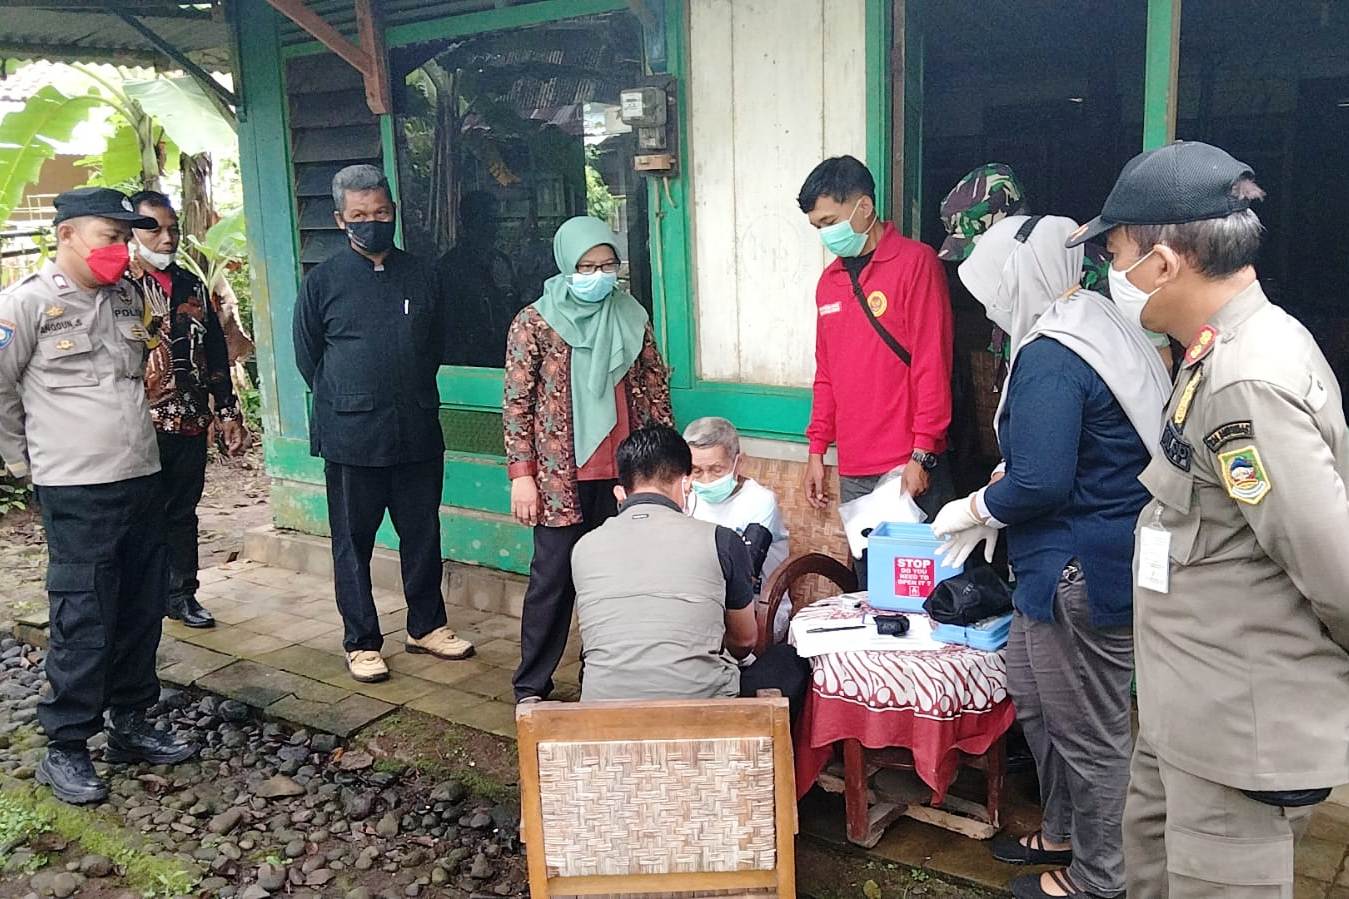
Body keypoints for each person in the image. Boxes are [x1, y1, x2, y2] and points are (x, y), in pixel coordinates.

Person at [1069, 141, 1349, 898]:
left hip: (1237, 731)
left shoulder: (1244, 378)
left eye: (1117, 253)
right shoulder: (1215, 351)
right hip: (1189, 714)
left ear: (1163, 262)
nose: (1110, 275)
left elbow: (1334, 566)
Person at [931, 214, 1169, 899]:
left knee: (1090, 733)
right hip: (1052, 565)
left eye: (988, 286)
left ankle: (1100, 878)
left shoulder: (1051, 354)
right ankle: (1062, 827)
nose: (984, 304)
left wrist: (973, 507)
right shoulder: (1082, 319)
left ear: (1016, 276)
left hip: (1081, 569)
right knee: (1035, 702)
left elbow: (1039, 478)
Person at [0, 187, 197, 805]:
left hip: (140, 475)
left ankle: (131, 721)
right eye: (107, 236)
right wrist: (23, 464)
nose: (119, 248)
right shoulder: (26, 304)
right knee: (84, 613)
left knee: (140, 605)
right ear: (66, 236)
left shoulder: (127, 297)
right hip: (75, 486)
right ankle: (67, 743)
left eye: (123, 237)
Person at [293, 164, 474, 685]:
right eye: (359, 216)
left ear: (392, 212)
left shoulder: (421, 273)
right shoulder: (322, 281)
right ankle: (361, 641)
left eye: (380, 213)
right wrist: (351, 395)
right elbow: (310, 357)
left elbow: (433, 343)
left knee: (422, 533)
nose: (372, 222)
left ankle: (426, 626)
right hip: (351, 435)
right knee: (353, 541)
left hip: (415, 427)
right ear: (339, 219)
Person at [504, 215, 672, 704]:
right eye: (586, 266)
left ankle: (602, 681)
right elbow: (516, 403)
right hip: (560, 476)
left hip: (627, 473)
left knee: (620, 580)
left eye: (607, 265)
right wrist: (522, 476)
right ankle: (531, 686)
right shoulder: (534, 322)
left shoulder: (631, 314)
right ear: (565, 265)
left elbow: (655, 392)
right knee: (552, 582)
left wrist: (665, 471)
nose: (598, 275)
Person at [797, 155, 954, 588]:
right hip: (854, 466)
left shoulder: (915, 263)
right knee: (873, 584)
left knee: (923, 584)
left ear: (864, 207)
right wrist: (816, 450)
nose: (826, 234)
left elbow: (931, 363)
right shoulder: (829, 282)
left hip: (907, 462)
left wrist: (922, 453)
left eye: (829, 220)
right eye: (817, 227)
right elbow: (826, 372)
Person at [571, 425, 810, 709]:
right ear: (686, 483)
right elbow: (745, 640)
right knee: (790, 660)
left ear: (620, 493)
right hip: (700, 716)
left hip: (602, 714)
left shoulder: (583, 548)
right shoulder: (721, 540)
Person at [128, 190, 250, 630]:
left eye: (173, 229)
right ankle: (142, 597)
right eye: (153, 228)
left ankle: (182, 594)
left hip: (191, 421)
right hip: (136, 426)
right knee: (140, 513)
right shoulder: (119, 286)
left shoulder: (191, 285)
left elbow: (216, 350)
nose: (166, 238)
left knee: (182, 512)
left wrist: (228, 410)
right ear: (130, 231)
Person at [683, 416, 791, 640]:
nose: (706, 479)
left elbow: (743, 575)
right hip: (700, 609)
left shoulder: (760, 502)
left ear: (738, 463)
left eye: (716, 469)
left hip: (756, 611)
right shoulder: (686, 498)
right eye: (696, 471)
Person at [436, 190, 520, 367]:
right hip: (466, 364)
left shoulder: (501, 262)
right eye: (486, 220)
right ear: (469, 223)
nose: (493, 227)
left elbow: (514, 308)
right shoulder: (449, 267)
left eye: (495, 220)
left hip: (505, 355)